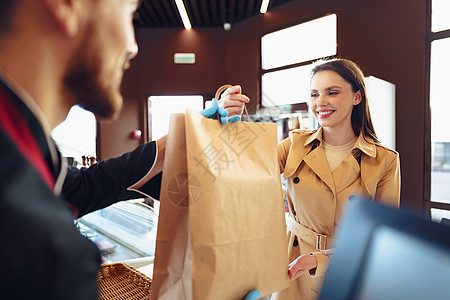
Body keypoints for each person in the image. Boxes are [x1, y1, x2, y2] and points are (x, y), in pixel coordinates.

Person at [0, 0, 250, 299]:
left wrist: (188, 131)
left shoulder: (25, 147)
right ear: (66, 5)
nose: (132, 46)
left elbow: (82, 187)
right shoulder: (43, 250)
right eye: (128, 13)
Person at [221, 58, 400, 300]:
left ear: (357, 96)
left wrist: (319, 260)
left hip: (349, 269)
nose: (320, 102)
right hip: (293, 267)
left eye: (332, 92)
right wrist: (233, 124)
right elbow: (246, 174)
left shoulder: (385, 160)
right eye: (314, 94)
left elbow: (382, 240)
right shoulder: (295, 144)